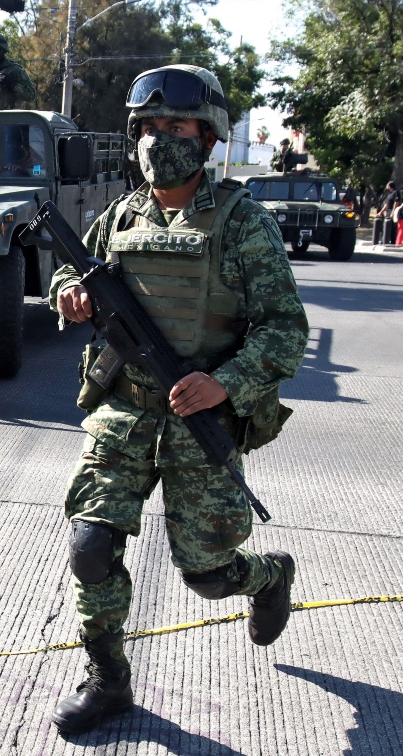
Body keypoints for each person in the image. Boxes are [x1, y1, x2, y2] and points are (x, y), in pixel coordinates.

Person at [47, 64, 308, 735]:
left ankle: (267, 577)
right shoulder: (121, 216)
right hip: (126, 412)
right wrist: (67, 295)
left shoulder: (242, 224)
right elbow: (72, 275)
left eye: (176, 126)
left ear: (212, 136)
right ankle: (109, 683)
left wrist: (228, 381)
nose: (159, 139)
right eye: (149, 127)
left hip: (203, 422)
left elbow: (284, 329)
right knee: (89, 546)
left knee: (207, 573)